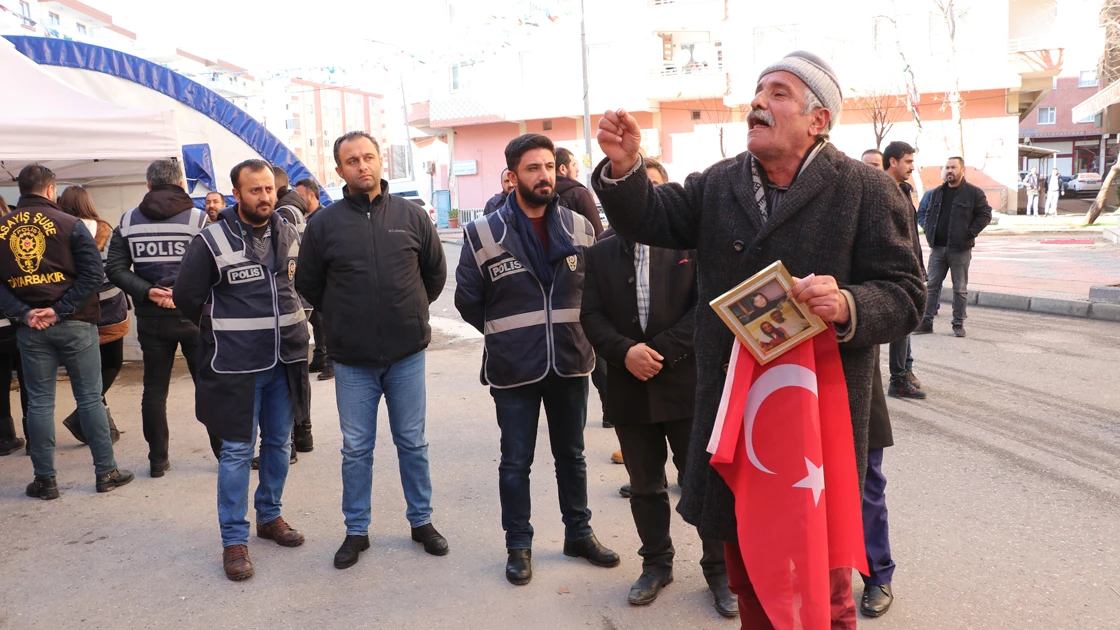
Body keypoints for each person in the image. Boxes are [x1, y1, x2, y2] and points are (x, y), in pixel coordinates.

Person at [592, 50, 925, 628]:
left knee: (822, 587)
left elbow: (906, 295)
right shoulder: (720, 182)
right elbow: (652, 218)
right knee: (750, 572)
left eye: (777, 93)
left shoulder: (867, 190)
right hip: (735, 407)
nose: (757, 104)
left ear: (818, 120)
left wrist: (848, 303)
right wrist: (625, 169)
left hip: (816, 419)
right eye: (757, 91)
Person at [455, 133, 619, 586]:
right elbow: (469, 300)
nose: (544, 175)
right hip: (514, 366)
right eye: (532, 168)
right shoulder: (483, 232)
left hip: (569, 358)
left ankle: (578, 534)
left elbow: (597, 292)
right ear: (512, 176)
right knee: (515, 462)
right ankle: (519, 546)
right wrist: (509, 336)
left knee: (573, 455)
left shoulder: (581, 227)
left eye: (548, 166)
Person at [296, 131, 449, 569]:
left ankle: (421, 522)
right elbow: (309, 283)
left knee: (412, 443)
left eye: (369, 157)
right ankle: (356, 530)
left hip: (406, 355)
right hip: (352, 361)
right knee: (356, 448)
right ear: (339, 170)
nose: (363, 166)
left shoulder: (412, 215)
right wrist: (344, 316)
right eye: (352, 160)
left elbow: (434, 274)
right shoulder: (323, 224)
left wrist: (411, 310)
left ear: (381, 162)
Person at [580, 214, 736, 616]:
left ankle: (720, 572)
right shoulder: (599, 255)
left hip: (686, 386)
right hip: (629, 387)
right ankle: (656, 565)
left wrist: (659, 352)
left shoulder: (690, 250)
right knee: (645, 486)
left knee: (702, 482)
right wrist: (625, 352)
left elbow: (704, 308)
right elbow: (591, 316)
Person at [174, 159, 308, 582]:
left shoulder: (289, 232)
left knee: (279, 444)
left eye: (269, 189)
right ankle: (234, 539)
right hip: (236, 367)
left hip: (286, 359)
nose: (265, 197)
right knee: (235, 453)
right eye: (255, 190)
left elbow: (302, 284)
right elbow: (186, 297)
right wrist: (224, 335)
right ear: (237, 194)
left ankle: (270, 517)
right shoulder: (211, 240)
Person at [0, 165, 135, 499]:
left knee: (40, 403)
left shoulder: (2, 228)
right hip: (74, 323)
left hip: (31, 327)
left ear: (21, 191)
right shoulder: (71, 224)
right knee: (89, 398)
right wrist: (59, 310)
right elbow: (92, 275)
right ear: (50, 190)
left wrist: (25, 312)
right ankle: (106, 472)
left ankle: (45, 481)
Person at [106, 159, 223, 476]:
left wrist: (148, 291)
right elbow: (217, 266)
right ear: (182, 184)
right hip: (195, 317)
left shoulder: (128, 221)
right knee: (208, 385)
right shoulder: (201, 220)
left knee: (154, 391)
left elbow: (114, 269)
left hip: (152, 320)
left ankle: (157, 461)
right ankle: (223, 454)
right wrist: (182, 292)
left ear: (148, 186)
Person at [56, 186, 129, 444]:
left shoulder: (59, 230)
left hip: (77, 310)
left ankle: (99, 426)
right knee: (111, 364)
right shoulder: (105, 230)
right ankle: (89, 422)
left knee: (90, 372)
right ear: (88, 203)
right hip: (110, 308)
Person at [913, 156, 992, 338]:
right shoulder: (936, 193)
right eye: (947, 167)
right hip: (938, 248)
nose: (950, 171)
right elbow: (924, 213)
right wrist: (929, 228)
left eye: (953, 167)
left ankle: (958, 324)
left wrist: (969, 232)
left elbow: (985, 215)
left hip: (960, 249)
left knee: (960, 288)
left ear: (962, 170)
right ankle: (926, 322)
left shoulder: (974, 193)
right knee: (931, 286)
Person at [270, 167, 313, 454]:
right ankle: (303, 434)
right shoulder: (296, 211)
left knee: (284, 376)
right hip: (299, 300)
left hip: (288, 302)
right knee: (296, 371)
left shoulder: (282, 215)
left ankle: (293, 440)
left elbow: (280, 266)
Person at [879, 141, 926, 400]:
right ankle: (897, 379)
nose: (911, 166)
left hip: (910, 265)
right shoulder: (882, 190)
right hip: (893, 268)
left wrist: (918, 267)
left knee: (907, 322)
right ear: (893, 161)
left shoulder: (904, 189)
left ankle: (905, 369)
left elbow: (910, 233)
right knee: (900, 321)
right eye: (908, 161)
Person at [293, 178, 333, 380]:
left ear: (311, 195)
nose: (295, 199)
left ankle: (332, 362)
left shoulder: (325, 217)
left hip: (327, 278)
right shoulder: (304, 217)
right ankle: (320, 358)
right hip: (312, 279)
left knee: (327, 321)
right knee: (317, 321)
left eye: (299, 195)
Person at [0, 194, 28, 457]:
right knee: (29, 381)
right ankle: (34, 438)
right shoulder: (11, 237)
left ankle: (5, 438)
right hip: (17, 319)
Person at [555, 147, 605, 236]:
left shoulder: (544, 194)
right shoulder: (580, 194)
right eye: (574, 165)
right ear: (562, 169)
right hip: (584, 249)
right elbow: (597, 232)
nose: (577, 169)